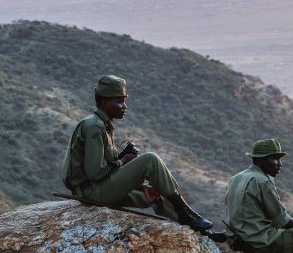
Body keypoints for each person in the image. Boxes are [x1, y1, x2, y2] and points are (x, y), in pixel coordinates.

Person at [62, 74, 218, 235]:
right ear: (104, 101)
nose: (124, 106)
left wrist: (140, 185)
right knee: (150, 159)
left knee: (155, 193)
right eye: (119, 101)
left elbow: (105, 168)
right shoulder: (94, 127)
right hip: (91, 193)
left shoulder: (103, 126)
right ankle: (186, 212)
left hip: (99, 189)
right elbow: (95, 173)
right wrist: (124, 160)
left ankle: (199, 230)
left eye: (124, 101)